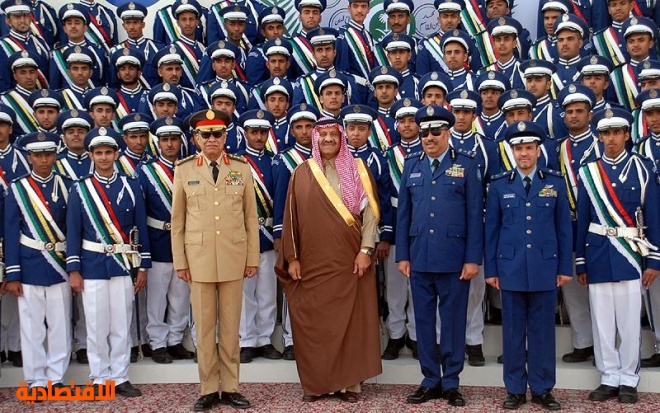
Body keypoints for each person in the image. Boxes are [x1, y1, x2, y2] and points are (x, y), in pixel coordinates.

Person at [275, 116, 382, 403]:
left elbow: (371, 215)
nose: (328, 140)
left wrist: (366, 250)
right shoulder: (302, 173)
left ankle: (350, 385)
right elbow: (291, 219)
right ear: (315, 139)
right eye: (322, 135)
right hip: (312, 263)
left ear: (341, 138)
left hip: (350, 261)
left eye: (333, 135)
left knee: (351, 324)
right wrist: (292, 258)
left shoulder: (358, 169)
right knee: (315, 324)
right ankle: (317, 384)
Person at [171, 109, 258, 411]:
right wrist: (181, 262)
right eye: (205, 134)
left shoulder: (241, 168)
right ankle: (208, 388)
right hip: (199, 260)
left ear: (225, 137)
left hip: (233, 257)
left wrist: (252, 258)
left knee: (231, 329)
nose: (211, 139)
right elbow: (178, 222)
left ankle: (231, 387)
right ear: (195, 138)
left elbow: (250, 217)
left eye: (217, 134)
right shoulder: (184, 170)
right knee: (205, 330)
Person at [396, 105, 483, 406]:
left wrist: (472, 258)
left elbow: (475, 215)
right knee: (422, 322)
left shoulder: (467, 165)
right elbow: (404, 214)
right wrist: (403, 255)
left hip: (454, 259)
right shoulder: (411, 164)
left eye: (435, 131)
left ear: (448, 133)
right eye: (424, 133)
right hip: (419, 256)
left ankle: (452, 382)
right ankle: (430, 379)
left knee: (453, 322)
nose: (429, 137)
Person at [485, 121, 572, 410]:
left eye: (529, 148)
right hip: (510, 268)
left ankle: (542, 388)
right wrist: (491, 269)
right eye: (519, 148)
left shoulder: (554, 183)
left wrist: (564, 267)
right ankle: (515, 389)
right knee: (512, 332)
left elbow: (563, 228)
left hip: (545, 267)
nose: (524, 153)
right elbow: (491, 230)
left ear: (538, 150)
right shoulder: (500, 185)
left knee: (542, 332)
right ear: (512, 151)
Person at [576, 106, 660, 404]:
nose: (610, 138)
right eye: (605, 133)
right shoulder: (588, 171)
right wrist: (581, 260)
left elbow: (653, 216)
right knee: (602, 321)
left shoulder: (642, 168)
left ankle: (629, 378)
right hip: (597, 253)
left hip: (630, 254)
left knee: (628, 321)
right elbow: (583, 218)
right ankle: (609, 376)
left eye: (616, 132)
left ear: (626, 135)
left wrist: (654, 260)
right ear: (599, 137)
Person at [66, 126, 151, 398]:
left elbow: (141, 228)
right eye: (98, 153)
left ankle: (120, 376)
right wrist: (74, 269)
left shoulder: (131, 185)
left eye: (108, 152)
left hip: (123, 264)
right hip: (92, 265)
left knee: (121, 324)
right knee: (96, 325)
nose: (103, 157)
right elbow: (73, 231)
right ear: (91, 155)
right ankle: (100, 378)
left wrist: (142, 266)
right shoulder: (81, 189)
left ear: (116, 154)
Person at [3, 132, 71, 401]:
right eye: (38, 155)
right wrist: (12, 274)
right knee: (32, 327)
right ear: (29, 158)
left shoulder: (66, 185)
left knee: (59, 325)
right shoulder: (18, 188)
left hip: (59, 265)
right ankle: (35, 381)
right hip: (29, 265)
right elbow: (10, 232)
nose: (43, 160)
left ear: (55, 156)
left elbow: (71, 229)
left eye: (48, 155)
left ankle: (56, 378)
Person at [138, 116, 194, 364]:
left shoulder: (190, 167)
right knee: (157, 296)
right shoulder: (146, 171)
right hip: (158, 239)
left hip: (185, 241)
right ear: (158, 142)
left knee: (180, 294)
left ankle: (174, 340)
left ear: (181, 141)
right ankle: (157, 342)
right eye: (165, 140)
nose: (170, 144)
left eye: (174, 139)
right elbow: (141, 213)